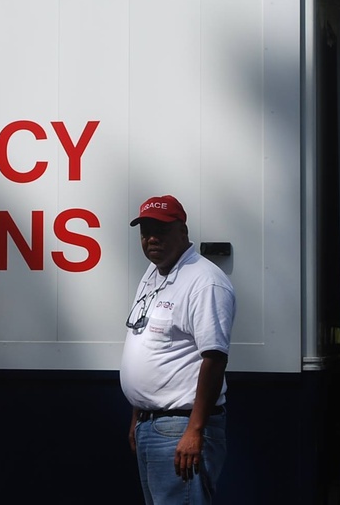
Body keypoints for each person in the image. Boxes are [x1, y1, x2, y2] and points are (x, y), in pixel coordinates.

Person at [120, 195, 236, 505]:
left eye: (161, 230)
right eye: (145, 231)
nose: (152, 239)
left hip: (180, 427)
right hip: (152, 425)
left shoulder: (204, 281)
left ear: (183, 232)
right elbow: (149, 344)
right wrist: (139, 414)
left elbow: (214, 357)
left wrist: (195, 430)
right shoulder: (153, 273)